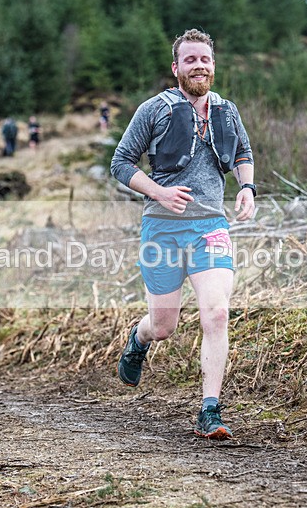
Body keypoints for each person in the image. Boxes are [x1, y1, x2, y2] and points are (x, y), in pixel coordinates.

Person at [110, 29, 256, 440]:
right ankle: (139, 340)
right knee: (164, 325)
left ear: (213, 64)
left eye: (204, 59)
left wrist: (246, 186)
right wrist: (159, 191)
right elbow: (120, 163)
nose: (199, 66)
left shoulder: (228, 112)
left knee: (217, 311)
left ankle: (210, 410)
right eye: (190, 60)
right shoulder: (153, 110)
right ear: (176, 68)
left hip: (210, 226)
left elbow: (243, 154)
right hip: (162, 228)